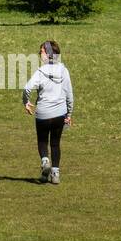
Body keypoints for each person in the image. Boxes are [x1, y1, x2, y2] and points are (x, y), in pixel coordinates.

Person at [23, 40, 74, 184]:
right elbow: (69, 95)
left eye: (42, 52)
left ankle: (45, 162)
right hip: (59, 113)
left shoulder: (40, 72)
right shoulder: (64, 71)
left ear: (49, 54)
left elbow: (27, 88)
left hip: (43, 113)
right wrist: (69, 114)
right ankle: (55, 174)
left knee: (42, 141)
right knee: (55, 144)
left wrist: (26, 102)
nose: (40, 54)